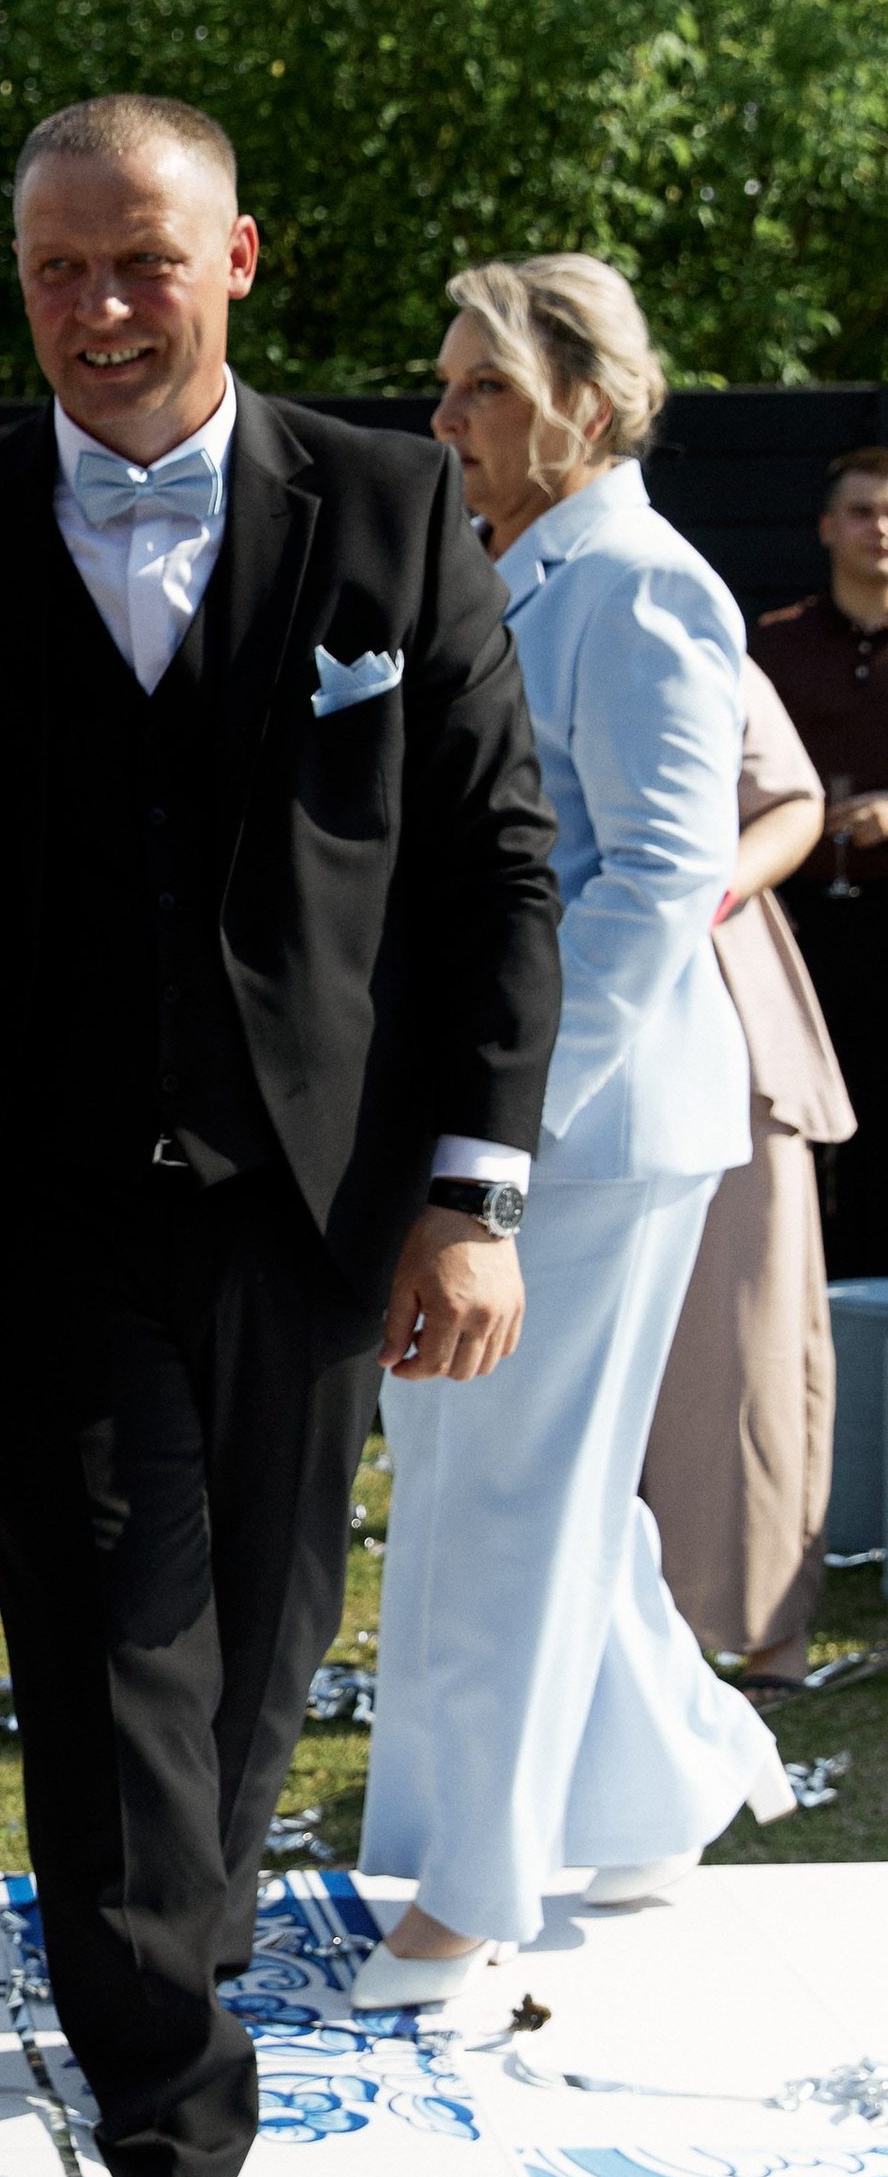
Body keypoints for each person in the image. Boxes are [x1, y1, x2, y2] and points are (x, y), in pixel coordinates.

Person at [0, 95, 562, 2177]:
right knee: (110, 1667)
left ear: (234, 255)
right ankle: (161, 2142)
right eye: (55, 271)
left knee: (249, 1651)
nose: (96, 312)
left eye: (137, 263)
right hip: (36, 1223)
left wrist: (469, 1186)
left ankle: (178, 1929)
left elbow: (490, 861)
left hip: (317, 1213)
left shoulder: (382, 498)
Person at [355, 258, 795, 2001]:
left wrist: (497, 1149)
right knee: (539, 1494)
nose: (443, 417)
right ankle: (676, 1781)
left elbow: (653, 893)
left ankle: (478, 1898)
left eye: (480, 388)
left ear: (584, 412)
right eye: (447, 380)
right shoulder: (508, 567)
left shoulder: (641, 589)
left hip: (585, 1143)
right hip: (497, 1125)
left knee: (508, 1503)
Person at [641, 664, 851, 1688]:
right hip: (521, 1007)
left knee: (746, 1333)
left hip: (714, 1004)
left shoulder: (676, 598)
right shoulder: (454, 583)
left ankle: (763, 1630)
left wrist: (692, 897)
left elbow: (789, 800)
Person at [755, 447, 888, 1274]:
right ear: (828, 527)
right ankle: (803, 1291)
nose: (881, 528)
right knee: (789, 1115)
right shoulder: (774, 643)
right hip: (792, 920)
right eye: (864, 511)